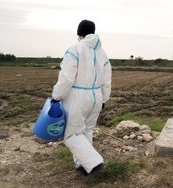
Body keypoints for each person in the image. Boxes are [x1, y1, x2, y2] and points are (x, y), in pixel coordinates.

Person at [51, 19, 112, 183]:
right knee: (86, 131)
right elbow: (107, 79)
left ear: (79, 33)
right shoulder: (103, 53)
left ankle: (94, 163)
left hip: (78, 96)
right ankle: (83, 166)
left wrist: (56, 96)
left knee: (71, 135)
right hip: (97, 96)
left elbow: (67, 78)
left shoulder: (75, 49)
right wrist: (104, 98)